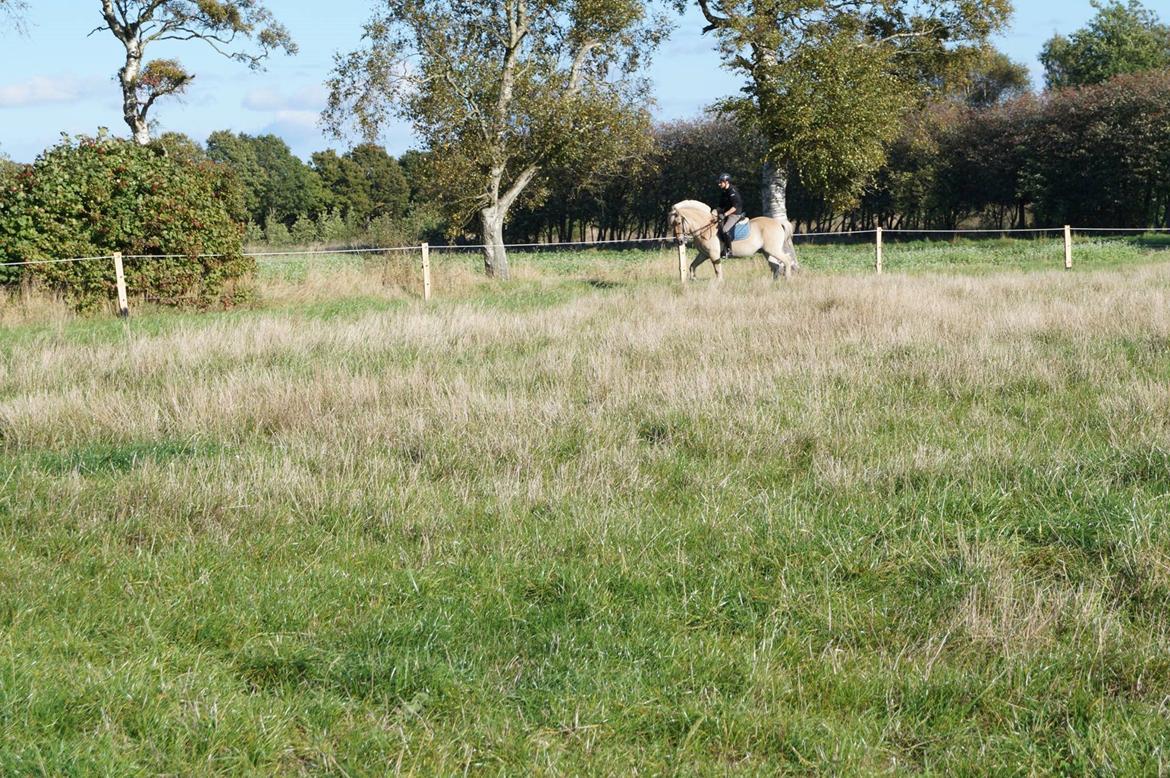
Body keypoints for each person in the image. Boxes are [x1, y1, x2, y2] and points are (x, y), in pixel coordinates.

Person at [715, 173, 745, 259]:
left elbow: (735, 207)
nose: (719, 184)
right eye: (719, 182)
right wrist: (715, 212)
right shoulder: (724, 192)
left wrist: (724, 214)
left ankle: (729, 251)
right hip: (726, 213)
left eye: (721, 182)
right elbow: (720, 205)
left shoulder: (733, 192)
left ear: (727, 182)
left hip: (734, 214)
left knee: (725, 229)